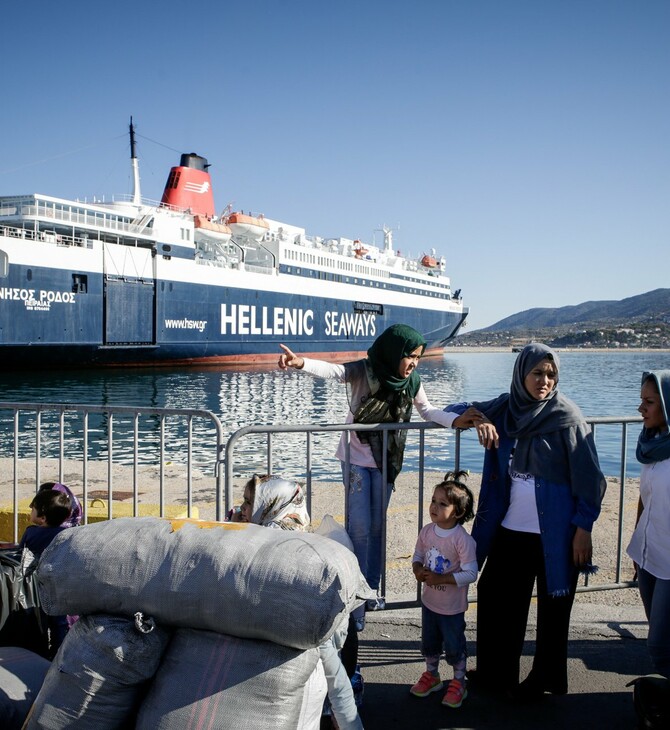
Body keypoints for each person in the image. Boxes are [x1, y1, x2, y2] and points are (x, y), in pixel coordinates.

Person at [278, 324, 469, 629]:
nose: (414, 363)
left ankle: (372, 591)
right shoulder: (364, 371)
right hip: (356, 461)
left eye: (418, 357)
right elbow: (334, 371)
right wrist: (301, 363)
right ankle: (354, 598)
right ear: (394, 353)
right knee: (361, 528)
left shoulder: (412, 381)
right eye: (410, 356)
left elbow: (427, 410)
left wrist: (456, 420)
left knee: (379, 526)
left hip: (387, 462)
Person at [446, 342, 606, 699]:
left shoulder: (568, 418)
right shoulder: (504, 408)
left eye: (551, 374)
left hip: (556, 536)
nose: (544, 381)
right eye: (537, 373)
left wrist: (584, 527)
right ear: (522, 374)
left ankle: (546, 681)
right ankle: (495, 674)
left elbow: (591, 479)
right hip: (509, 531)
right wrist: (479, 419)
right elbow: (453, 409)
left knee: (554, 609)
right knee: (496, 599)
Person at [242, 474, 363, 730]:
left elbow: (327, 653)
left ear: (270, 507)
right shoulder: (270, 537)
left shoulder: (280, 549)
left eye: (248, 503)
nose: (241, 509)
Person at [410, 471, 477, 709]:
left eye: (442, 504)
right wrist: (417, 569)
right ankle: (432, 676)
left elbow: (471, 573)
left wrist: (442, 578)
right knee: (430, 643)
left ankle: (459, 681)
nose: (434, 507)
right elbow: (417, 555)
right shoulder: (427, 531)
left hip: (452, 608)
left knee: (454, 646)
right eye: (433, 501)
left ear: (457, 512)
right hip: (429, 603)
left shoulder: (462, 540)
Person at [626, 370, 670, 679]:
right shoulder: (652, 445)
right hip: (647, 556)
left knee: (658, 645)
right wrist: (637, 548)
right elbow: (646, 498)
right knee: (661, 635)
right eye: (642, 400)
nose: (641, 408)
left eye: (649, 402)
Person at [18, 489, 73, 658]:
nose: (30, 510)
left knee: (38, 619)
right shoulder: (66, 535)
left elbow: (21, 555)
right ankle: (58, 654)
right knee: (59, 621)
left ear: (42, 517)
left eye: (32, 508)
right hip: (59, 584)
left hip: (36, 586)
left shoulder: (31, 532)